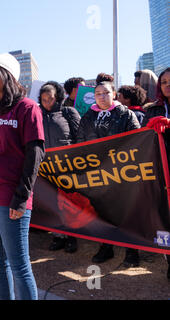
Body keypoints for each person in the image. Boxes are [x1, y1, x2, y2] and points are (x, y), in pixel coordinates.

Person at [0, 53, 45, 300]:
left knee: (19, 266)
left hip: (12, 199)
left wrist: (21, 197)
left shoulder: (27, 108)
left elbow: (35, 154)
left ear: (8, 75)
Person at [76, 81, 141, 264]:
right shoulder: (87, 117)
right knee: (102, 210)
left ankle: (132, 250)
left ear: (114, 94)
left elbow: (136, 140)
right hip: (98, 172)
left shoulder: (126, 114)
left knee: (126, 210)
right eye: (98, 93)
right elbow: (81, 143)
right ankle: (106, 246)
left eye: (106, 92)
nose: (102, 96)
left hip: (122, 171)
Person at [39, 81, 81, 253]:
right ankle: (58, 236)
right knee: (51, 202)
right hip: (46, 167)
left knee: (68, 203)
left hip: (67, 166)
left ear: (57, 97)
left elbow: (80, 136)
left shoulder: (68, 112)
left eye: (50, 98)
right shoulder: (38, 115)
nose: (47, 102)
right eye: (43, 99)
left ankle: (72, 237)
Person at [143, 67, 170, 279]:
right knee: (163, 217)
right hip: (160, 171)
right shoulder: (152, 109)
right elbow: (141, 139)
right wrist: (150, 128)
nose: (168, 85)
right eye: (164, 82)